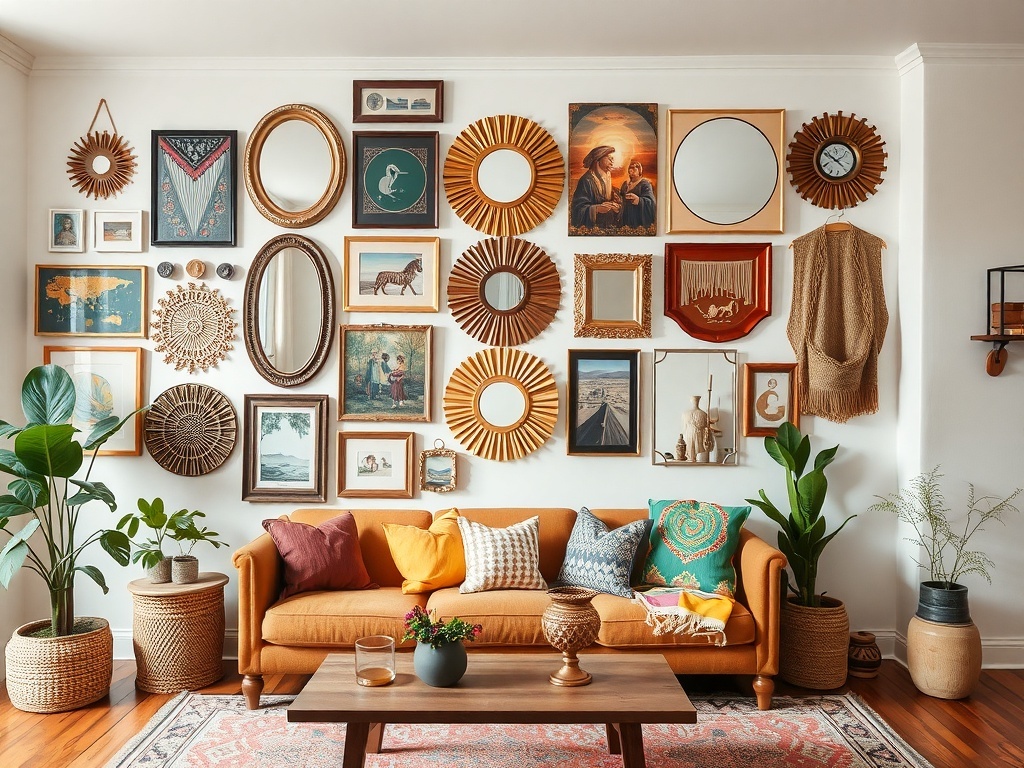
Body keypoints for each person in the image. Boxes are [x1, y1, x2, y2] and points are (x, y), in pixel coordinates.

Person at [570, 145, 621, 232]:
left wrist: (617, 207)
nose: (612, 161)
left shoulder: (607, 180)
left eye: (612, 158)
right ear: (598, 159)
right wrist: (596, 209)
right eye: (609, 158)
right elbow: (577, 209)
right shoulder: (586, 181)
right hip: (592, 231)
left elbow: (617, 201)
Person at [619, 158, 656, 231]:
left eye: (635, 167)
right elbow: (621, 197)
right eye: (630, 167)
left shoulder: (645, 184)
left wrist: (639, 200)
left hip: (637, 216)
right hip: (625, 215)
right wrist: (619, 199)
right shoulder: (625, 184)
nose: (632, 170)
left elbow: (651, 202)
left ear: (640, 170)